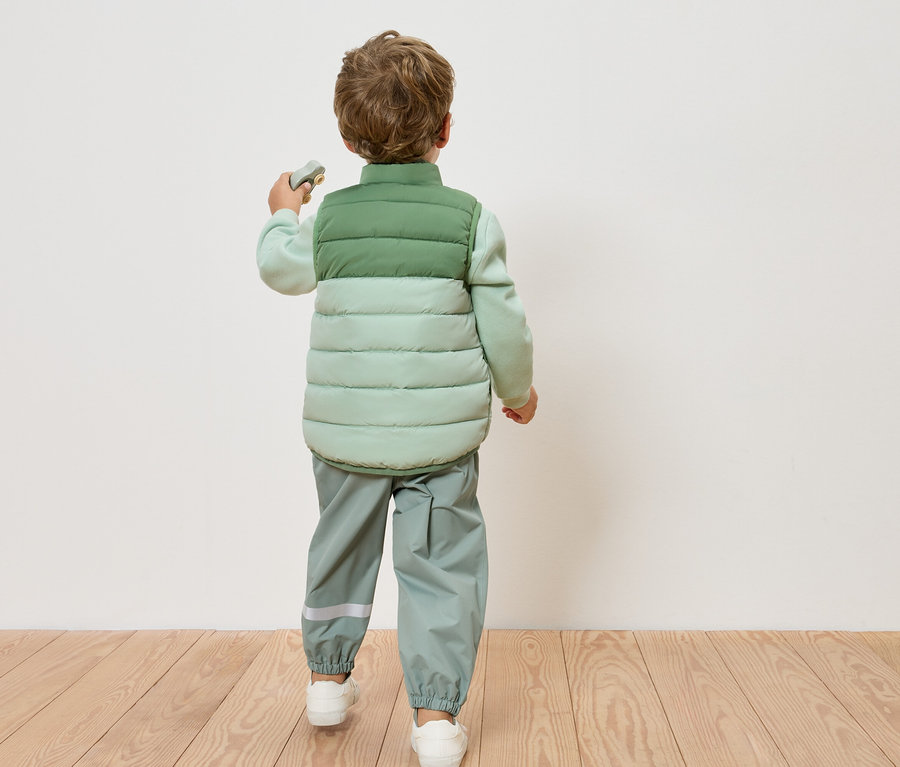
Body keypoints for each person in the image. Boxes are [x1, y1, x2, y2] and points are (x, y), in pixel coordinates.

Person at [256, 30, 537, 767]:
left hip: (345, 434)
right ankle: (436, 721)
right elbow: (503, 323)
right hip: (439, 440)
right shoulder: (470, 220)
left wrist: (284, 210)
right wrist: (519, 391)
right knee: (441, 566)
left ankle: (326, 680)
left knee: (340, 548)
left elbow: (279, 269)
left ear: (348, 138)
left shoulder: (332, 220)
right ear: (445, 129)